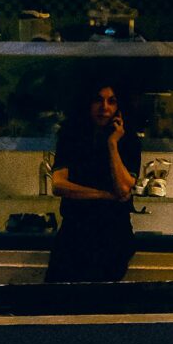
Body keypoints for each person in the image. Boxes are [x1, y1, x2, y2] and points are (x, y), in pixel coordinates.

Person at [47, 84, 140, 281]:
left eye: (111, 101)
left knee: (100, 295)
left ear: (119, 108)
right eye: (98, 100)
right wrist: (104, 195)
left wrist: (112, 144)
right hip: (75, 231)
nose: (104, 107)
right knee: (58, 294)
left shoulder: (128, 141)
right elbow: (58, 185)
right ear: (87, 103)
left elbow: (123, 188)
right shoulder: (71, 138)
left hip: (112, 233)